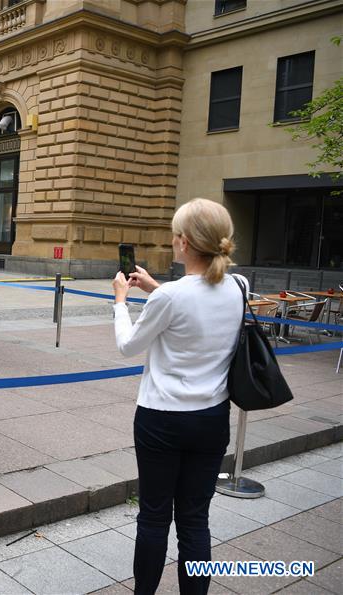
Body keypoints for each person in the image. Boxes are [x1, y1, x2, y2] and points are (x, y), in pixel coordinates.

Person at [111, 198, 243, 595]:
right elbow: (197, 297)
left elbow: (128, 346)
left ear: (184, 242)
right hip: (212, 418)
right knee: (194, 519)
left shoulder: (170, 298)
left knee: (153, 517)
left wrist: (121, 301)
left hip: (161, 419)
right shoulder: (240, 286)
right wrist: (155, 287)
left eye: (174, 235)